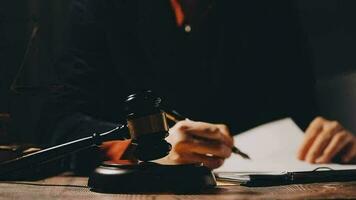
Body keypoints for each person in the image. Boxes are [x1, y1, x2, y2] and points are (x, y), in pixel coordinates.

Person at [39, 0, 356, 171]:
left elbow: (298, 113)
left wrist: (329, 140)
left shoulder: (268, 10)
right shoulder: (102, 8)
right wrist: (147, 151)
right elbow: (60, 125)